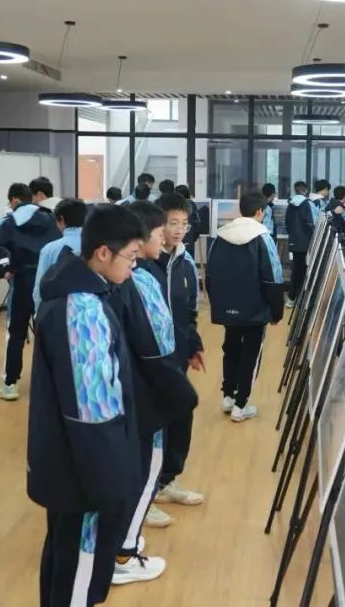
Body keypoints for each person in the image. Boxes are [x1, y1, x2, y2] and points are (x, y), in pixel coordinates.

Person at [28, 205, 148, 605]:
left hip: (71, 465)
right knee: (80, 572)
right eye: (130, 256)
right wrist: (111, 486)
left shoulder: (77, 292)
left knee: (64, 564)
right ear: (103, 252)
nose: (133, 266)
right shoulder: (81, 310)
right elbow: (92, 415)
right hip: (86, 476)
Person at [109, 201, 195, 579]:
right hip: (147, 394)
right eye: (161, 232)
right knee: (146, 471)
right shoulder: (140, 280)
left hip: (131, 392)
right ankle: (124, 555)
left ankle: (123, 542)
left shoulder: (119, 277)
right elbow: (159, 343)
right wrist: (175, 389)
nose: (166, 237)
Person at [205, 191, 285, 422]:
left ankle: (228, 396)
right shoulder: (263, 237)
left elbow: (210, 276)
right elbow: (273, 278)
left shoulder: (221, 236)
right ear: (260, 211)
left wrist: (218, 304)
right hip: (256, 310)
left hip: (227, 308)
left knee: (230, 349)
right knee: (251, 354)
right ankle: (241, 405)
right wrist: (276, 312)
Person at [150, 194, 206, 512]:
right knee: (156, 422)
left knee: (180, 415)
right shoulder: (144, 263)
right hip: (151, 359)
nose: (179, 230)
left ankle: (167, 481)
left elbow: (188, 311)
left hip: (177, 355)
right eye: (173, 223)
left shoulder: (184, 262)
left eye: (184, 224)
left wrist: (193, 345)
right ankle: (147, 493)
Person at [0, 183, 61, 401]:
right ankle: (51, 381)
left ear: (15, 200)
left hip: (23, 281)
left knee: (17, 333)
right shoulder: (50, 218)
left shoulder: (11, 222)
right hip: (48, 281)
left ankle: (10, 384)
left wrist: (0, 272)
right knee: (46, 332)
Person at [33, 199, 88, 312]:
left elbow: (40, 288)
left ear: (61, 219)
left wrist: (39, 313)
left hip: (58, 311)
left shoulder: (50, 249)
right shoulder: (96, 246)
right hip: (91, 310)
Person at [285, 180, 317, 308]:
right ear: (306, 190)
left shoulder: (290, 205)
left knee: (296, 270)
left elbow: (287, 224)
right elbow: (311, 223)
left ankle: (292, 298)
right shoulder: (307, 204)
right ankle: (302, 299)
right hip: (307, 243)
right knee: (306, 271)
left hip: (294, 242)